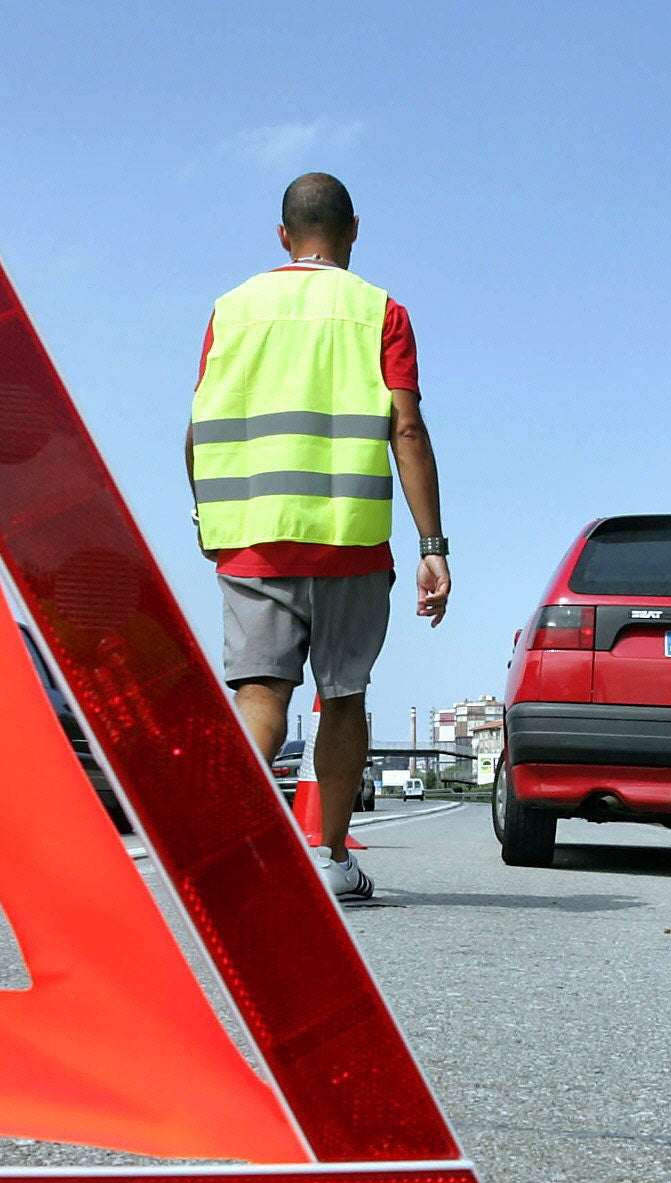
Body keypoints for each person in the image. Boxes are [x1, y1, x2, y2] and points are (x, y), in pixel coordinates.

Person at [187, 171, 448, 900]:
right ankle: (330, 858)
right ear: (354, 230)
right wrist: (433, 546)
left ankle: (223, 852)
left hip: (252, 536)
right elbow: (407, 427)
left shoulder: (231, 309)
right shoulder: (381, 312)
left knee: (259, 696)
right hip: (350, 536)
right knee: (343, 698)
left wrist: (208, 520)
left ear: (281, 236)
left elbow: (199, 426)